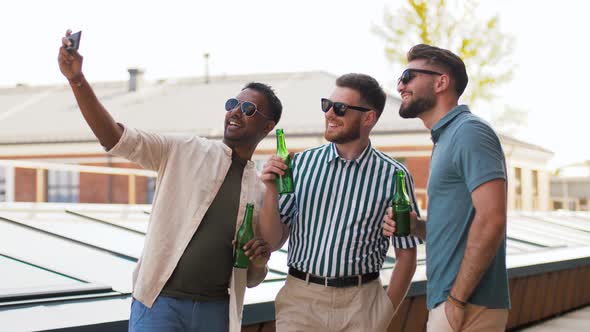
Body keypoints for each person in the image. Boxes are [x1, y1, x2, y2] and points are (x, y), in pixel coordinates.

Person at [58, 29, 281, 332]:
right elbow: (113, 137)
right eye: (232, 103)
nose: (235, 112)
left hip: (217, 311)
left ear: (268, 126)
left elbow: (252, 277)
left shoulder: (259, 188)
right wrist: (77, 80)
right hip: (159, 304)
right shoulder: (184, 150)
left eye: (247, 109)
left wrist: (259, 260)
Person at [260, 73, 422, 331]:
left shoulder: (394, 176)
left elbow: (406, 253)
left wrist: (384, 313)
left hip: (362, 306)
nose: (330, 114)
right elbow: (273, 240)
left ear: (368, 117)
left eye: (341, 108)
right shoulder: (300, 165)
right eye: (327, 105)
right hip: (300, 303)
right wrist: (270, 189)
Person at [383, 44, 510, 331]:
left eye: (408, 76)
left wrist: (456, 300)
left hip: (466, 305)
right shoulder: (446, 138)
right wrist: (418, 227)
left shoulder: (469, 132)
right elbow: (461, 228)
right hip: (452, 302)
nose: (400, 85)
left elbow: (492, 218)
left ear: (441, 82)